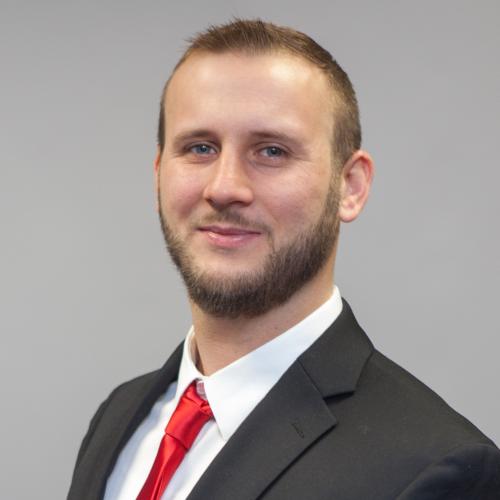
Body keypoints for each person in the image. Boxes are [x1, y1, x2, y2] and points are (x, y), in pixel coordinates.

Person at [68, 19, 500, 500]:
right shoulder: (120, 418)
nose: (224, 188)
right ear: (158, 175)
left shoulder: (438, 469)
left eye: (271, 151)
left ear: (350, 186)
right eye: (199, 148)